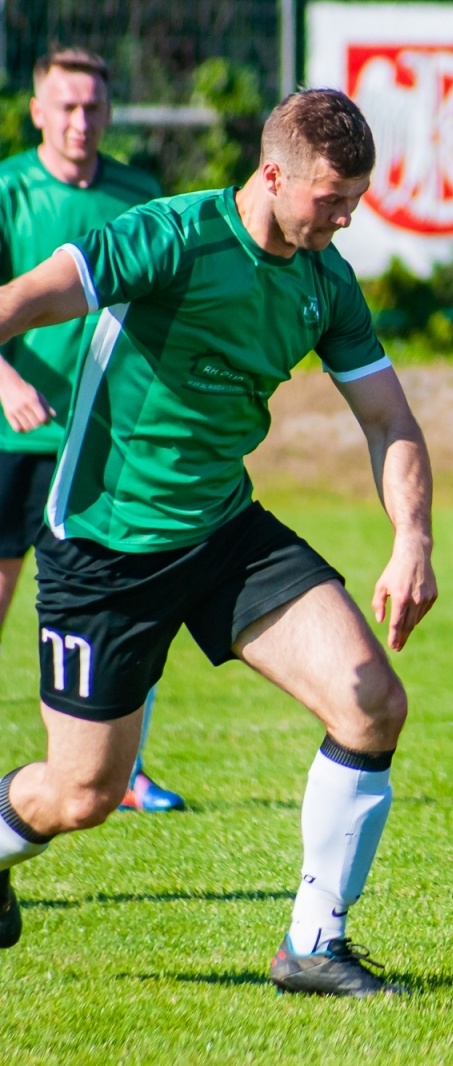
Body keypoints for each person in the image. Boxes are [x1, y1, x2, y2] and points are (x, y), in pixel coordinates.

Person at [0, 88, 436, 999]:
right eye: (331, 198)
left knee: (372, 705)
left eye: (357, 198)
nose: (346, 216)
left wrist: (412, 538)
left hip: (222, 530)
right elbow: (25, 299)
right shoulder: (168, 236)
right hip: (106, 548)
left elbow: (389, 417)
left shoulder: (326, 282)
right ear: (271, 174)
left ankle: (314, 946)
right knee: (81, 794)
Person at [0, 48, 184, 813]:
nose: (81, 121)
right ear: (38, 111)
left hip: (106, 450)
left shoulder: (138, 195)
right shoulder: (9, 190)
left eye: (94, 108)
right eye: (66, 106)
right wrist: (5, 382)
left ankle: (125, 769)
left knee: (124, 611)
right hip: (15, 445)